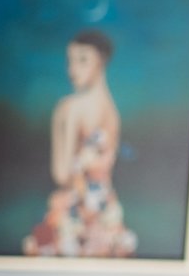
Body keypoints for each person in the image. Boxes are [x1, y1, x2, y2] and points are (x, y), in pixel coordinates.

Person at [27, 28, 125, 258]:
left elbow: (62, 174)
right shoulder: (113, 112)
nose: (72, 70)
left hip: (75, 213)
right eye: (70, 61)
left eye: (82, 60)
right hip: (106, 211)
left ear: (100, 60)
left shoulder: (70, 107)